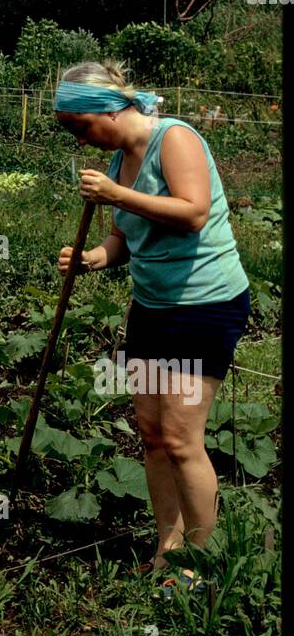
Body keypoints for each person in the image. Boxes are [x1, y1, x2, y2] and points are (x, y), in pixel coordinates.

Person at [54, 61, 250, 596]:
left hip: (202, 308)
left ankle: (206, 565)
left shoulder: (176, 139)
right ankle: (169, 547)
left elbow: (191, 212)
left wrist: (117, 195)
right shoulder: (120, 158)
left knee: (183, 440)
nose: (81, 141)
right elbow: (126, 238)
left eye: (80, 127)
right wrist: (95, 256)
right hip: (153, 307)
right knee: (152, 436)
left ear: (108, 110)